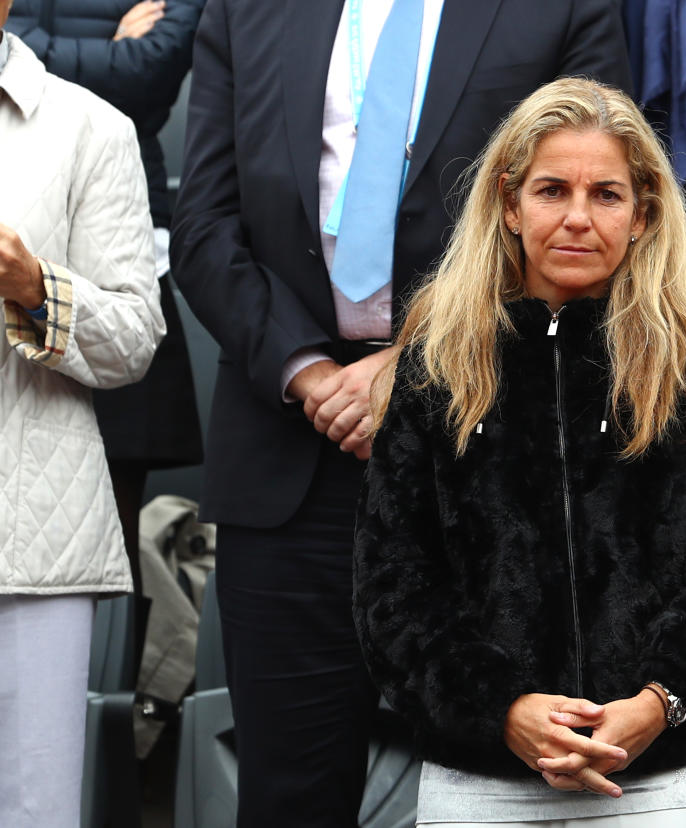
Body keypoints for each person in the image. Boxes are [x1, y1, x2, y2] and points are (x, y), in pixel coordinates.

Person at [170, 0, 631, 824]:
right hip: (292, 457)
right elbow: (205, 225)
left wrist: (416, 366)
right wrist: (309, 374)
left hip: (485, 451)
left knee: (505, 795)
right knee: (288, 796)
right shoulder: (246, 10)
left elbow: (582, 220)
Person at [353, 76, 686, 828]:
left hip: (662, 780)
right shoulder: (439, 360)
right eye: (553, 190)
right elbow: (393, 583)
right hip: (478, 777)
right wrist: (503, 709)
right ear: (511, 204)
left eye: (607, 195)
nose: (578, 218)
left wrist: (659, 704)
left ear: (644, 213)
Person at [0, 5, 164, 824]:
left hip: (30, 534)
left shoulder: (88, 128)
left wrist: (34, 287)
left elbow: (136, 338)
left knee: (33, 808)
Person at [8, 0, 206, 666]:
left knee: (95, 558)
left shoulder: (91, 130)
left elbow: (150, 72)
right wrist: (109, 58)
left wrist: (45, 63)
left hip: (117, 247)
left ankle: (123, 738)